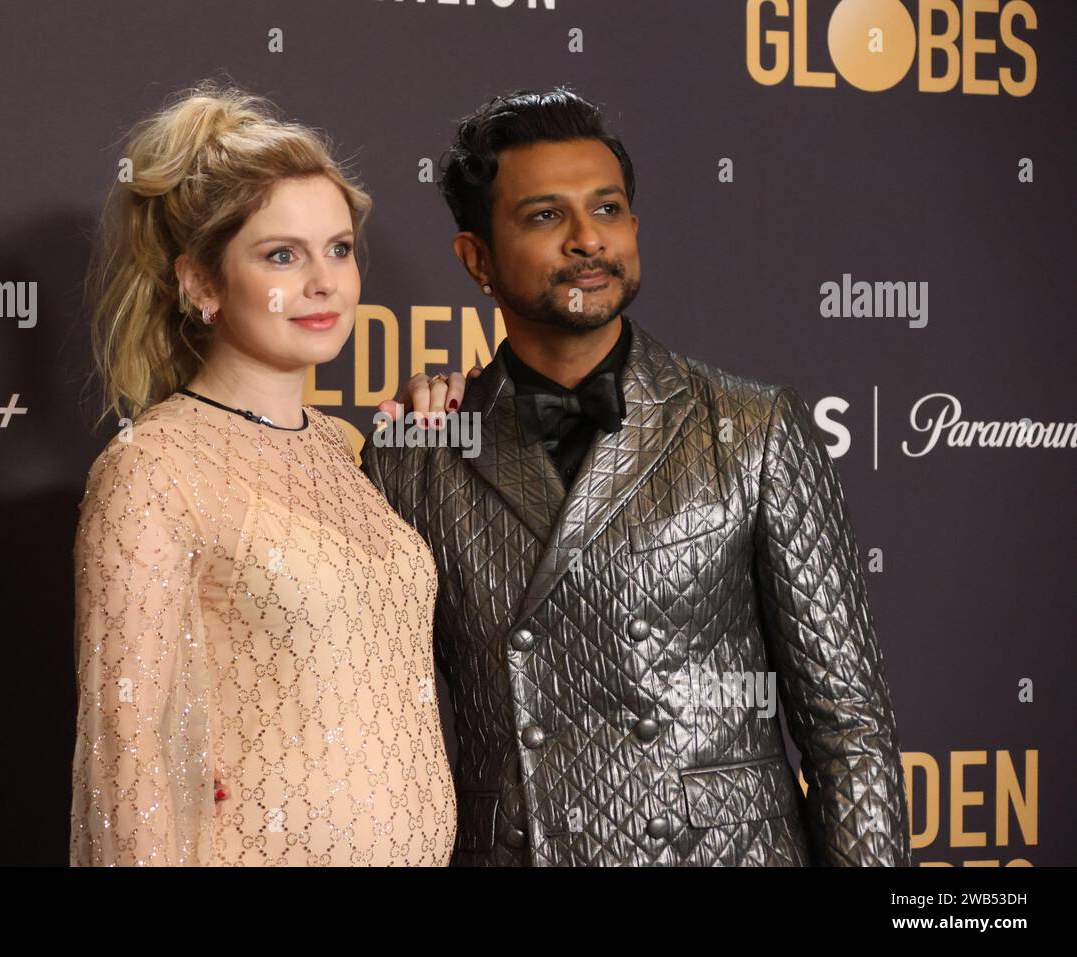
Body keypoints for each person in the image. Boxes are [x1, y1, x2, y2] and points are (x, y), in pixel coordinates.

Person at [361, 88, 912, 866]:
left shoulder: (753, 427)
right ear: (476, 258)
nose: (589, 239)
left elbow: (849, 728)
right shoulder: (413, 452)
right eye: (546, 216)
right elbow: (373, 731)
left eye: (608, 209)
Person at [70, 82, 456, 865]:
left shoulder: (349, 449)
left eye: (338, 249)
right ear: (202, 283)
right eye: (282, 254)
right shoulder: (152, 470)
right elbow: (127, 755)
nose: (323, 282)